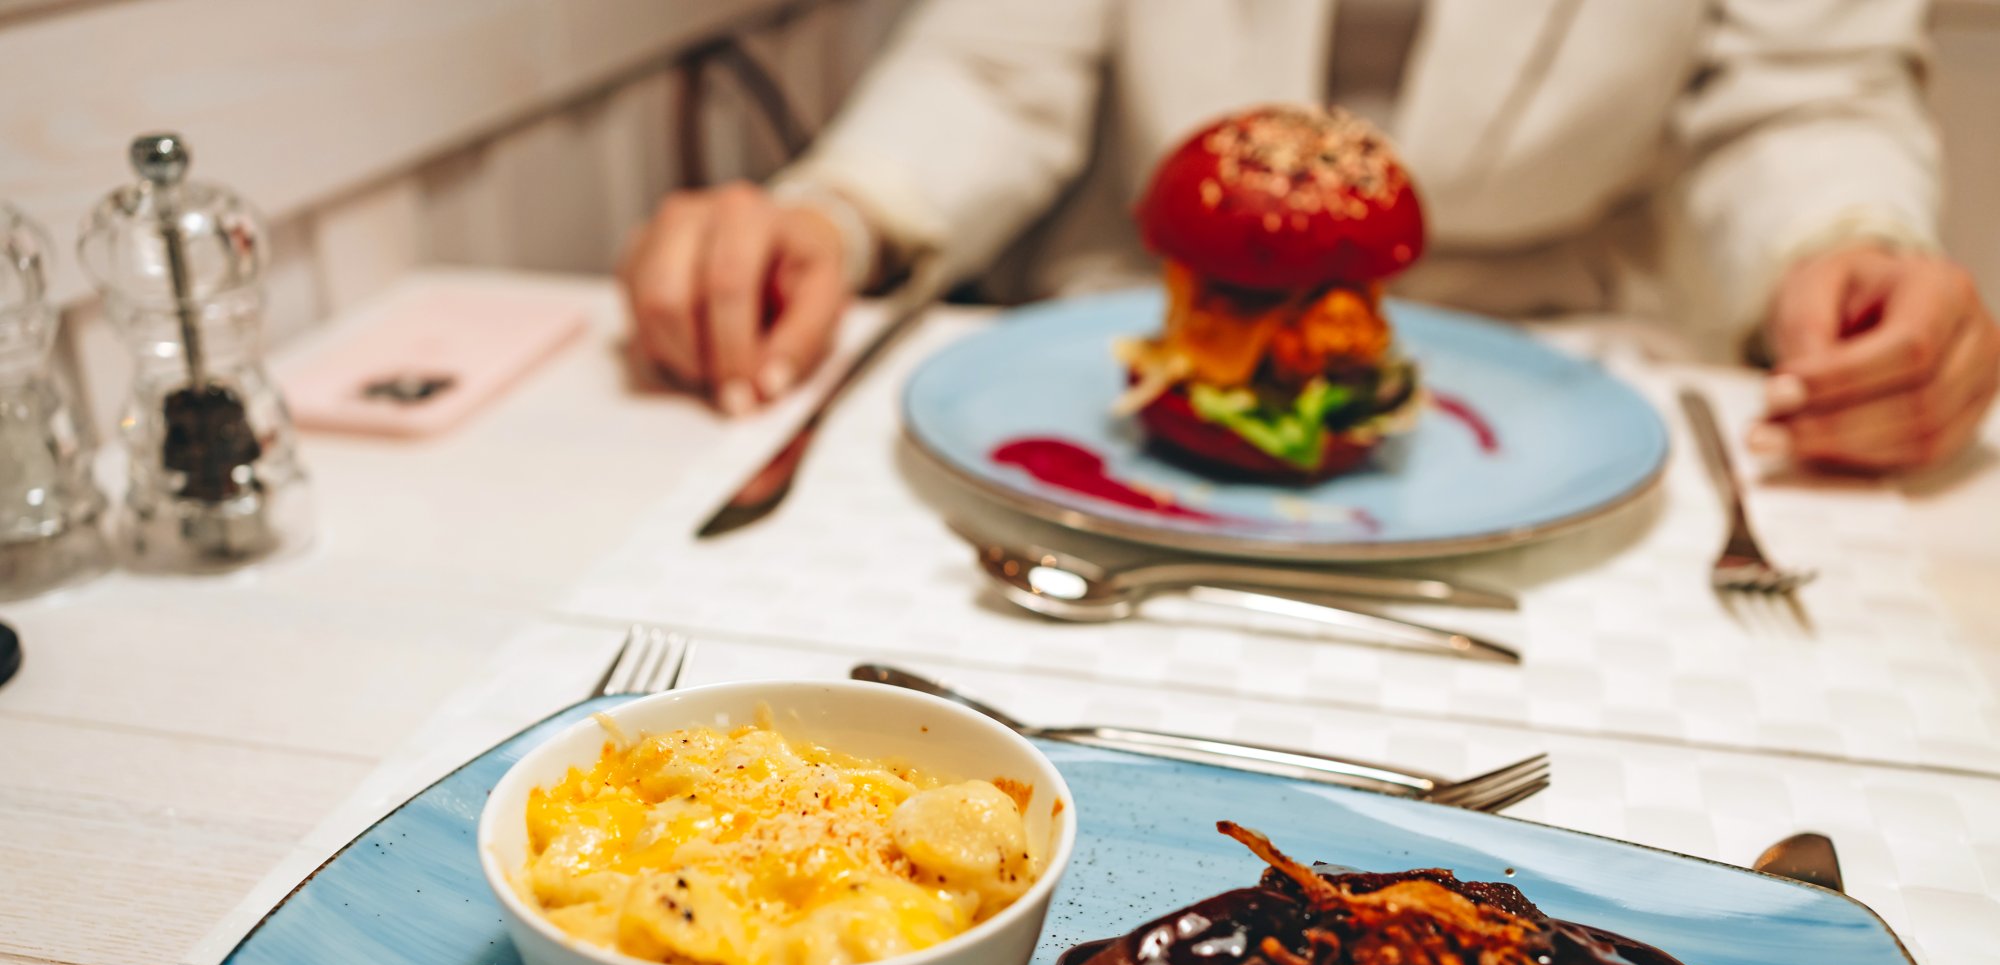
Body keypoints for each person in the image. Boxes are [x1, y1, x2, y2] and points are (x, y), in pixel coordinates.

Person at [620, 0, 1998, 476]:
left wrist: (1847, 239)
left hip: (1569, 355)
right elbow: (993, 63)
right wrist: (836, 209)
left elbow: (1799, 93)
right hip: (1133, 342)